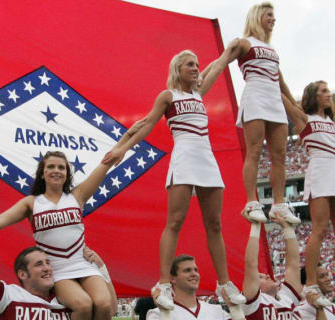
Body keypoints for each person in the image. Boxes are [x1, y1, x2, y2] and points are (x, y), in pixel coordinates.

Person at [0, 119, 146, 320]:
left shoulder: (77, 196)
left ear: (66, 174)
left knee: (104, 303)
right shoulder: (31, 203)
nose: (57, 170)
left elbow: (105, 163)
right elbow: (0, 220)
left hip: (82, 262)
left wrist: (126, 138)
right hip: (58, 268)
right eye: (51, 167)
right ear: (43, 173)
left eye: (62, 168)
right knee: (82, 305)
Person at [109, 44, 246, 310]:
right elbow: (146, 123)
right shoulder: (168, 96)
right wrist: (123, 148)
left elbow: (220, 62)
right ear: (178, 70)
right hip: (183, 156)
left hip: (206, 158)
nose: (195, 68)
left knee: (215, 224)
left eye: (197, 64)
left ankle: (224, 283)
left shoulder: (199, 91)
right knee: (174, 221)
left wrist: (237, 45)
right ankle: (162, 284)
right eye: (190, 65)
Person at [281, 82, 335, 306]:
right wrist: (273, 69)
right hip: (319, 170)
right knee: (319, 229)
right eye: (324, 91)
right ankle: (311, 284)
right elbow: (284, 96)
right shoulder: (304, 119)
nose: (329, 94)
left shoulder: (334, 123)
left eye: (328, 91)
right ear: (313, 96)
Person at [221, 2, 301, 225]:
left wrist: (296, 109)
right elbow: (222, 62)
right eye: (269, 15)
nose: (273, 19)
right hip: (255, 95)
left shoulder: (272, 50)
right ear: (257, 17)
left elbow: (281, 81)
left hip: (274, 99)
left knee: (280, 155)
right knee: (254, 151)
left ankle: (278, 205)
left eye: (274, 16)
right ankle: (251, 202)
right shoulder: (245, 43)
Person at [239, 207, 303, 319]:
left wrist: (287, 228)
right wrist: (255, 226)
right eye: (261, 277)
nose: (268, 275)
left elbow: (293, 264)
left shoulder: (287, 297)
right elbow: (251, 264)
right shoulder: (253, 304)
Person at [146, 255, 241, 320]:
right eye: (187, 270)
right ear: (172, 278)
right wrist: (165, 315)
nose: (194, 274)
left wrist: (235, 309)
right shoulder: (157, 314)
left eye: (196, 270)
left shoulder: (217, 310)